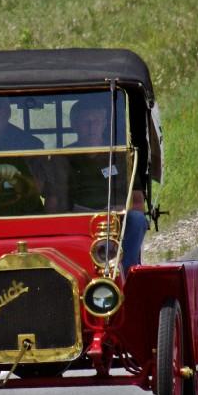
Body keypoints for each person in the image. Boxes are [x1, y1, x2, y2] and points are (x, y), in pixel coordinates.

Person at [68, 98, 148, 271]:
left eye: (96, 121)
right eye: (85, 122)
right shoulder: (65, 158)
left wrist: (118, 211)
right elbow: (56, 203)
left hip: (117, 221)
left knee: (137, 219)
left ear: (105, 123)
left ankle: (127, 274)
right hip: (79, 223)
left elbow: (138, 202)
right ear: (74, 125)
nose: (91, 128)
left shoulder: (120, 156)